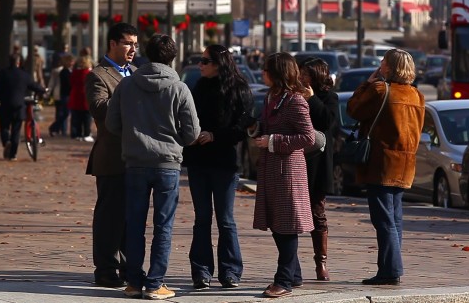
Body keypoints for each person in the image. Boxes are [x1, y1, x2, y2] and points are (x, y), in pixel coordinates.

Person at [105, 34, 200, 300]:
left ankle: (134, 281)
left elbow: (112, 124)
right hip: (167, 164)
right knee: (163, 226)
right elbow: (192, 133)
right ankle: (155, 283)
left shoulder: (127, 85)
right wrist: (174, 141)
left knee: (134, 224)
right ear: (172, 57)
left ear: (146, 54)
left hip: (135, 162)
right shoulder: (179, 88)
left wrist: (133, 135)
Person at [346, 48, 425, 286]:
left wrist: (366, 85)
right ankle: (388, 268)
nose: (379, 65)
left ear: (389, 67)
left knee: (383, 219)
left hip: (381, 162)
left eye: (382, 62)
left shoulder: (381, 90)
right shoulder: (417, 95)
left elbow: (353, 109)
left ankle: (391, 270)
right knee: (394, 219)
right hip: (405, 162)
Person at [182, 44, 254, 290]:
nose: (200, 65)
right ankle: (201, 271)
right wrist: (194, 134)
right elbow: (188, 118)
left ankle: (230, 271)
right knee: (202, 218)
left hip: (224, 161)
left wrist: (215, 136)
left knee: (225, 219)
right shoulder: (199, 87)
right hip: (198, 160)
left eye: (205, 61)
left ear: (219, 64)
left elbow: (242, 128)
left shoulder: (239, 89)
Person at [249, 52, 315, 298]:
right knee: (277, 224)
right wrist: (255, 129)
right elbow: (267, 126)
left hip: (288, 170)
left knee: (287, 226)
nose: (262, 73)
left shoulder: (295, 100)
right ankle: (295, 274)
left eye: (266, 69)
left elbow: (308, 137)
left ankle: (284, 280)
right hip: (270, 169)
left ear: (278, 73)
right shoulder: (271, 96)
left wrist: (274, 141)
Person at [84, 22, 138, 288]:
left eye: (136, 44)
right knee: (110, 217)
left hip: (138, 157)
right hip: (112, 156)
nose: (133, 49)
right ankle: (105, 268)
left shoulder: (137, 73)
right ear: (113, 44)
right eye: (128, 43)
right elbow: (100, 109)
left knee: (132, 216)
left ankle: (130, 267)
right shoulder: (98, 75)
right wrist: (131, 96)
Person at [298, 57, 339, 282]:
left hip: (318, 163)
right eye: (301, 73)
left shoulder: (328, 98)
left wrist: (312, 99)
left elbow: (326, 121)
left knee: (317, 212)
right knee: (291, 212)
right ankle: (290, 264)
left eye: (306, 74)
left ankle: (321, 262)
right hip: (297, 160)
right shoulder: (294, 96)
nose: (302, 78)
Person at [0, 53, 45, 160]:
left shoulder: (2, 74)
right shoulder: (24, 75)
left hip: (5, 105)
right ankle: (13, 155)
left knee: (4, 127)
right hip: (19, 106)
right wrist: (43, 90)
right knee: (16, 131)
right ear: (18, 62)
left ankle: (6, 141)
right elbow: (34, 86)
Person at [47, 53, 74, 137]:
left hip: (65, 94)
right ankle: (54, 128)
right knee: (64, 113)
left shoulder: (68, 71)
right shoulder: (64, 71)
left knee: (64, 113)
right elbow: (67, 83)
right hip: (65, 94)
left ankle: (61, 130)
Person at [68, 55, 93, 142]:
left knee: (76, 118)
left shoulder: (74, 72)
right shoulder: (89, 73)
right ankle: (86, 134)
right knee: (86, 118)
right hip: (85, 97)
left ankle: (76, 134)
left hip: (75, 96)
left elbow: (71, 83)